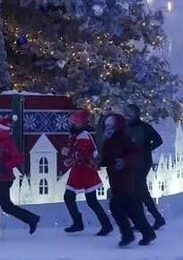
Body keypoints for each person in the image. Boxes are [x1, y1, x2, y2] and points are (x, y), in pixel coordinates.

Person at [0, 115, 40, 241]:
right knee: (7, 207)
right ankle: (31, 219)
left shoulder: (7, 143)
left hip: (5, 180)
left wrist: (6, 166)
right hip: (1, 179)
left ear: (0, 132)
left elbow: (18, 159)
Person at [99, 113, 155, 247]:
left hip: (126, 179)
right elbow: (107, 159)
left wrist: (124, 162)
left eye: (110, 126)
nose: (108, 129)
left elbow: (136, 154)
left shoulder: (125, 138)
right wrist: (98, 161)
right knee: (131, 210)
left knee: (116, 206)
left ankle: (127, 234)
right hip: (116, 180)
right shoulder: (109, 141)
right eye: (106, 126)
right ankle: (147, 232)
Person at [60, 109, 112, 236]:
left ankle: (86, 223)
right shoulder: (78, 135)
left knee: (86, 199)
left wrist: (68, 154)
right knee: (82, 199)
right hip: (79, 171)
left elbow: (80, 154)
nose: (72, 124)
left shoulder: (83, 136)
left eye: (75, 122)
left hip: (85, 171)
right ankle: (100, 224)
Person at [125, 104, 166, 230]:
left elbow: (158, 140)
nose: (127, 117)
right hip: (131, 163)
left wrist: (146, 149)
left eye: (130, 114)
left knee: (141, 192)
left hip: (142, 163)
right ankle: (143, 221)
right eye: (126, 114)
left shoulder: (145, 127)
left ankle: (156, 218)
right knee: (136, 192)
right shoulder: (125, 128)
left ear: (136, 115)